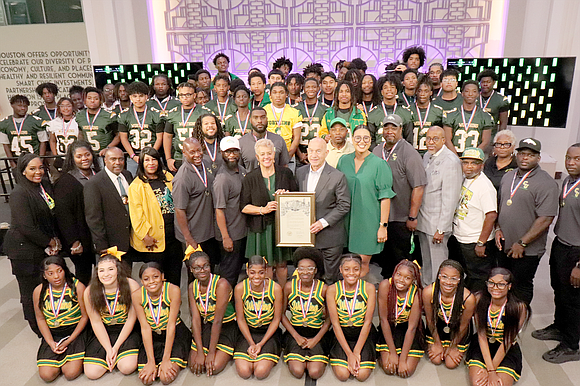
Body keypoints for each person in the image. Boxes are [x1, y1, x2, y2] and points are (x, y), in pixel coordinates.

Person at [495, 138, 559, 304]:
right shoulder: (508, 176)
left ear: (538, 158)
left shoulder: (546, 183)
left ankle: (518, 323)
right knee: (503, 282)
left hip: (526, 249)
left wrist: (522, 243)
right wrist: (497, 228)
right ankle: (504, 317)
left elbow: (545, 219)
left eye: (530, 155)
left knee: (521, 286)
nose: (525, 158)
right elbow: (501, 205)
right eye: (522, 154)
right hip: (504, 243)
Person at [532, 143, 580, 363]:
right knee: (559, 291)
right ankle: (560, 327)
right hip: (561, 244)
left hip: (576, 252)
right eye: (569, 158)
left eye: (577, 159)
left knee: (573, 299)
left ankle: (571, 345)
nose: (571, 163)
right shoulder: (568, 182)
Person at [4, 154, 61, 336]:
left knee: (44, 288)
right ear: (22, 171)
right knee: (30, 292)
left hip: (40, 247)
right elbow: (26, 226)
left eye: (41, 168)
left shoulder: (42, 186)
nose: (38, 172)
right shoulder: (19, 193)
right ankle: (38, 330)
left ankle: (49, 324)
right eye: (32, 169)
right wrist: (50, 241)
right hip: (23, 252)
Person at [337, 126, 395, 278]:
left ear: (371, 141)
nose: (361, 142)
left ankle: (359, 295)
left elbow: (385, 197)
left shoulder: (379, 165)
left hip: (368, 222)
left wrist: (383, 226)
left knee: (361, 264)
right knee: (347, 264)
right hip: (345, 220)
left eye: (366, 138)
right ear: (352, 139)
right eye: (358, 138)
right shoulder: (344, 160)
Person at [372, 114, 426, 277]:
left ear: (401, 129)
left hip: (400, 218)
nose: (389, 131)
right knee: (385, 261)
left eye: (394, 127)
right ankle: (387, 292)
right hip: (380, 217)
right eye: (386, 127)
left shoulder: (409, 153)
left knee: (401, 261)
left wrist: (412, 217)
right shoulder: (376, 150)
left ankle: (403, 295)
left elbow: (418, 186)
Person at [241, 138, 298, 287]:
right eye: (262, 154)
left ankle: (283, 300)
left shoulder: (286, 173)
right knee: (264, 266)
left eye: (269, 153)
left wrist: (287, 196)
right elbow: (244, 206)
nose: (266, 157)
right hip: (260, 229)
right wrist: (262, 210)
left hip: (281, 228)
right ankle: (267, 300)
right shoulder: (250, 178)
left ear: (274, 154)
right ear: (257, 157)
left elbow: (299, 199)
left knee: (282, 265)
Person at [296, 138, 351, 283]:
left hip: (330, 238)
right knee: (308, 280)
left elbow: (344, 205)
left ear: (326, 153)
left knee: (329, 279)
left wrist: (323, 222)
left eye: (318, 151)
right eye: (311, 151)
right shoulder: (299, 173)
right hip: (306, 237)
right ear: (307, 152)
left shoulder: (337, 176)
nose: (314, 155)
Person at [128, 147, 183, 286]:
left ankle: (174, 306)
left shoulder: (168, 177)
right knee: (156, 279)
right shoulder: (136, 186)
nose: (151, 163)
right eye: (146, 160)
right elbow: (136, 215)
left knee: (174, 276)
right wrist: (144, 235)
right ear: (141, 163)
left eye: (154, 159)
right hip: (153, 240)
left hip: (173, 237)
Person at [467, 268, 531, 386]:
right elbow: (481, 336)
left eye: (501, 284)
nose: (495, 288)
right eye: (491, 283)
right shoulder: (479, 299)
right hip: (483, 346)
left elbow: (508, 340)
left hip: (505, 348)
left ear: (509, 286)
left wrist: (491, 371)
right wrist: (490, 370)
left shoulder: (519, 307)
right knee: (478, 384)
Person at [417, 126, 463, 286]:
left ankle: (438, 299)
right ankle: (426, 297)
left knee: (438, 268)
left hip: (437, 226)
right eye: (428, 138)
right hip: (424, 222)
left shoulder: (451, 161)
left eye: (435, 138)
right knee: (427, 265)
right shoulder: (426, 156)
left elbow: (450, 199)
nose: (430, 142)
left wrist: (442, 228)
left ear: (444, 140)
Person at [132, 263, 191, 385]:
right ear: (141, 281)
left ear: (163, 277)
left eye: (155, 277)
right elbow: (145, 327)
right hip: (152, 336)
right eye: (146, 279)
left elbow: (171, 325)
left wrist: (166, 359)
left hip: (174, 334)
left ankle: (167, 360)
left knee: (165, 378)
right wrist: (150, 361)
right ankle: (154, 363)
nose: (151, 282)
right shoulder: (137, 295)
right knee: (147, 380)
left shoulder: (173, 290)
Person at [83, 253, 140, 379]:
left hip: (126, 329)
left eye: (110, 269)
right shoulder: (89, 291)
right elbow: (96, 322)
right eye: (101, 270)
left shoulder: (132, 285)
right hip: (104, 330)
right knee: (92, 373)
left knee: (127, 367)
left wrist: (116, 347)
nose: (106, 274)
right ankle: (110, 354)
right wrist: (109, 349)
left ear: (118, 270)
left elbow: (131, 319)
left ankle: (119, 353)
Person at [449, 147, 498, 292]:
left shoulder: (485, 186)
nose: (469, 166)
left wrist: (481, 242)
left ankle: (477, 309)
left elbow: (491, 215)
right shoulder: (465, 179)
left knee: (478, 279)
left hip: (475, 241)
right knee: (467, 276)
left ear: (481, 165)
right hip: (461, 238)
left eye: (474, 163)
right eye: (466, 163)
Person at [33, 256, 87, 381]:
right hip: (53, 334)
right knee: (46, 376)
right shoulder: (39, 291)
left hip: (75, 332)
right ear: (44, 275)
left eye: (59, 271)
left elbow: (85, 317)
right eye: (50, 273)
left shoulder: (77, 287)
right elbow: (40, 319)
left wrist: (68, 341)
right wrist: (50, 342)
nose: (56, 276)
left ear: (65, 270)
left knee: (70, 373)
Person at [53, 140, 100, 286]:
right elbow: (64, 216)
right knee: (83, 275)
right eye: (79, 156)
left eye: (87, 155)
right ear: (72, 159)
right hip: (81, 238)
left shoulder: (99, 174)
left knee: (104, 274)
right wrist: (74, 241)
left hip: (99, 235)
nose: (84, 159)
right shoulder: (66, 182)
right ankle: (82, 305)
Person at [185, 251, 239, 376]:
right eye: (197, 268)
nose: (202, 270)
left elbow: (218, 321)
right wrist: (200, 351)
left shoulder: (221, 284)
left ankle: (226, 349)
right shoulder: (192, 287)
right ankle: (204, 348)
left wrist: (210, 353)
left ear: (211, 266)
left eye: (206, 266)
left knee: (213, 367)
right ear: (191, 270)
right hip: (207, 325)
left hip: (226, 326)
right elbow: (196, 319)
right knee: (194, 366)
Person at [282, 248, 330, 379]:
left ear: (315, 271)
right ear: (296, 270)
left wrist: (316, 339)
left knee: (314, 372)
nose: (305, 272)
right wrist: (296, 336)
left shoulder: (324, 289)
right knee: (297, 371)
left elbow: (330, 319)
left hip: (317, 333)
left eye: (310, 268)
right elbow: (281, 315)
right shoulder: (289, 286)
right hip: (295, 333)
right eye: (301, 268)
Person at [326, 254, 376, 381]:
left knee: (362, 375)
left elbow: (368, 322)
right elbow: (335, 324)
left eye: (356, 269)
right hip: (341, 333)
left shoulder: (369, 288)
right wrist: (349, 354)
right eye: (347, 269)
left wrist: (357, 352)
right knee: (342, 375)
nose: (351, 273)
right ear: (341, 269)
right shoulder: (332, 290)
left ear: (361, 270)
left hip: (362, 333)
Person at [173, 138, 221, 267]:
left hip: (209, 231)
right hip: (194, 235)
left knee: (211, 267)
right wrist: (188, 238)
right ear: (184, 153)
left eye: (199, 150)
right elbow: (179, 210)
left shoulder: (205, 162)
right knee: (197, 272)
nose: (197, 155)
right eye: (192, 152)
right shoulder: (182, 178)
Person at [233, 256, 284, 379]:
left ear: (266, 271)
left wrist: (260, 344)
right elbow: (240, 319)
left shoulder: (276, 288)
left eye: (261, 272)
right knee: (244, 372)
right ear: (247, 271)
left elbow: (277, 319)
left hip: (268, 332)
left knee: (260, 372)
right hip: (247, 331)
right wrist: (251, 343)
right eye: (252, 272)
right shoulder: (240, 288)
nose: (256, 276)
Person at [423, 260, 475, 369]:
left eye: (454, 278)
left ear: (460, 280)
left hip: (458, 329)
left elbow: (464, 325)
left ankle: (453, 344)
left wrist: (453, 346)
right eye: (444, 277)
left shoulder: (468, 298)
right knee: (436, 360)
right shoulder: (428, 292)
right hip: (438, 325)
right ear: (438, 276)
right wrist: (437, 342)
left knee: (451, 364)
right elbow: (430, 319)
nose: (448, 282)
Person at [376, 260, 423, 378]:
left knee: (406, 370)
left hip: (407, 328)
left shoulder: (417, 293)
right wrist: (392, 353)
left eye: (407, 278)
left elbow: (412, 328)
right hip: (389, 327)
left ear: (413, 280)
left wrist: (402, 360)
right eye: (398, 275)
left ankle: (401, 355)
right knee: (389, 368)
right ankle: (385, 353)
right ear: (394, 273)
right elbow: (383, 320)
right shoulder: (385, 285)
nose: (401, 280)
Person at [84, 147, 133, 254]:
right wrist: (101, 245)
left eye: (121, 159)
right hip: (110, 244)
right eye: (113, 159)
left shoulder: (127, 175)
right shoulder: (94, 183)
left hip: (130, 241)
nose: (118, 162)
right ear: (105, 160)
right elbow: (93, 218)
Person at [213, 137, 248, 288]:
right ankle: (226, 308)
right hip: (230, 235)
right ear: (221, 153)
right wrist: (225, 237)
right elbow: (219, 210)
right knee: (228, 276)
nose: (231, 155)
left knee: (237, 273)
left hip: (242, 232)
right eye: (227, 152)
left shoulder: (242, 171)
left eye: (234, 151)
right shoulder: (222, 179)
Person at [118, 81, 163, 175]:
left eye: (141, 96)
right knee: (134, 182)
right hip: (134, 156)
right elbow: (123, 138)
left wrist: (150, 155)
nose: (138, 99)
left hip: (153, 155)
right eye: (135, 96)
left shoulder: (156, 114)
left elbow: (159, 137)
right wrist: (133, 155)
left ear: (147, 97)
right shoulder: (124, 115)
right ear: (130, 97)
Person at [443, 80, 494, 155]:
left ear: (478, 94)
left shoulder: (485, 116)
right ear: (462, 93)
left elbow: (486, 142)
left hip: (475, 157)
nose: (470, 94)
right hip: (453, 156)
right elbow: (447, 140)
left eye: (474, 91)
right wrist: (456, 157)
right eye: (467, 91)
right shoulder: (451, 114)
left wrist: (472, 156)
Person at [164, 82, 205, 172]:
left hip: (199, 156)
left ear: (194, 95)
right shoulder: (173, 113)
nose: (185, 97)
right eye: (181, 95)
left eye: (188, 94)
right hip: (179, 156)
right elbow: (167, 136)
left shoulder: (203, 112)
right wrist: (168, 158)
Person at [264, 82, 302, 171]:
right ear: (270, 95)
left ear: (286, 95)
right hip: (268, 155)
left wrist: (287, 157)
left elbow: (296, 138)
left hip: (288, 155)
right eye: (275, 92)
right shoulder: (264, 111)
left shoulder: (294, 112)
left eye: (281, 92)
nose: (278, 95)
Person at [367, 74, 414, 146]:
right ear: (382, 92)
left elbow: (409, 139)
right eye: (385, 87)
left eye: (392, 87)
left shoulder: (405, 113)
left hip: (399, 153)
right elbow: (371, 139)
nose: (389, 90)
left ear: (396, 90)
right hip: (379, 154)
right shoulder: (373, 113)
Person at [238, 107, 289, 172]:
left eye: (262, 117)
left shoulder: (278, 140)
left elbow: (284, 167)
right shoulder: (242, 143)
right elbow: (239, 170)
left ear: (267, 119)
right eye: (255, 118)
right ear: (250, 120)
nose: (259, 121)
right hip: (251, 181)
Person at [0, 95, 48, 163]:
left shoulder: (36, 121)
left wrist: (40, 160)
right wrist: (12, 164)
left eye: (25, 106)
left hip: (34, 159)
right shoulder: (5, 123)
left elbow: (43, 142)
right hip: (17, 160)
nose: (23, 108)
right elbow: (6, 145)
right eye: (20, 106)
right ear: (12, 105)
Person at [76, 87, 119, 158]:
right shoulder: (80, 115)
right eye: (89, 98)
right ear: (85, 100)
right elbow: (81, 134)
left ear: (100, 101)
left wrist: (108, 148)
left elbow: (119, 135)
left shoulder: (109, 116)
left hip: (105, 154)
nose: (92, 101)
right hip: (88, 153)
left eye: (96, 98)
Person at [294, 77, 328, 165]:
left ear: (318, 88)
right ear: (304, 89)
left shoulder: (325, 109)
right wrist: (299, 154)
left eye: (313, 87)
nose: (311, 89)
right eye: (308, 87)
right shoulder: (296, 108)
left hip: (319, 154)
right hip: (300, 153)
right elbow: (292, 135)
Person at [408, 76, 445, 155]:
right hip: (412, 153)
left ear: (431, 92)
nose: (422, 94)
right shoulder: (408, 110)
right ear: (416, 92)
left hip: (431, 153)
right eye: (420, 91)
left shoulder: (438, 111)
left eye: (426, 91)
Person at [477, 69, 510, 135]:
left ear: (493, 82)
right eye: (483, 82)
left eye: (488, 82)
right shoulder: (474, 97)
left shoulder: (501, 99)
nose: (485, 84)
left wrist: (500, 139)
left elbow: (503, 123)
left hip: (491, 135)